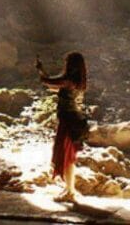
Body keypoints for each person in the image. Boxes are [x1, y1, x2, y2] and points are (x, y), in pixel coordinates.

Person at [36, 51, 88, 202]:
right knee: (68, 156)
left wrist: (40, 70)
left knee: (66, 156)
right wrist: (42, 72)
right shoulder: (77, 81)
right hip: (73, 121)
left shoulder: (69, 80)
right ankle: (69, 189)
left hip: (68, 122)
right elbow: (52, 85)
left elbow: (47, 81)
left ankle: (70, 192)